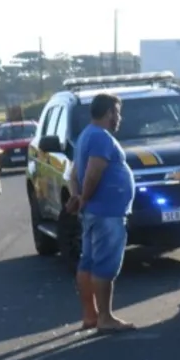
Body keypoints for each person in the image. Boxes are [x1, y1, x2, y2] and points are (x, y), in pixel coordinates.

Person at [66, 93, 136, 333]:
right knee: (104, 265)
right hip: (106, 213)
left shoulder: (85, 135)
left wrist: (78, 198)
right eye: (117, 112)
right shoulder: (101, 138)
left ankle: (91, 315)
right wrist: (83, 199)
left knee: (88, 263)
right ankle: (105, 317)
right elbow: (93, 172)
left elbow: (75, 174)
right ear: (109, 113)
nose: (119, 118)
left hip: (95, 212)